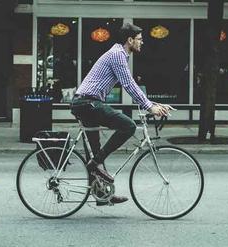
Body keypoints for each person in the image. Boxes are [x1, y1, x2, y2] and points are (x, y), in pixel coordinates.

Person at [70, 23, 172, 206]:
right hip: (87, 103)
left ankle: (102, 194)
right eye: (140, 39)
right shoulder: (118, 55)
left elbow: (130, 85)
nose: (142, 43)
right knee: (128, 126)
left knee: (94, 151)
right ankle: (95, 164)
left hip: (87, 103)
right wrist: (149, 106)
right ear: (130, 40)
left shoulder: (118, 54)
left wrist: (155, 104)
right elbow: (129, 84)